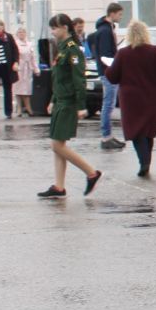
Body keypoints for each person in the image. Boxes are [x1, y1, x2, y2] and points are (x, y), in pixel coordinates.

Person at [104, 20, 156, 177]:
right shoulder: (155, 51)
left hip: (131, 99)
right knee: (148, 130)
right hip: (154, 97)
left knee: (136, 131)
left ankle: (143, 162)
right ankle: (146, 162)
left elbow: (112, 77)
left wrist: (107, 68)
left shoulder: (123, 53)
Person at [38, 13, 101, 199]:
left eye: (54, 28)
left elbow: (78, 78)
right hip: (61, 101)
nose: (52, 31)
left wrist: (81, 105)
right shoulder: (63, 47)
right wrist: (52, 100)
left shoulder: (73, 49)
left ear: (65, 27)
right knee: (58, 144)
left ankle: (91, 173)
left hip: (69, 103)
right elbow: (59, 78)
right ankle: (59, 186)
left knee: (57, 145)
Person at [91, 4, 123, 146]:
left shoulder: (107, 29)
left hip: (108, 71)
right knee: (108, 104)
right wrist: (114, 68)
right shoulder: (105, 31)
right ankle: (106, 136)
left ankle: (108, 135)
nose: (120, 17)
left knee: (109, 104)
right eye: (119, 14)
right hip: (108, 72)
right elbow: (106, 54)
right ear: (112, 14)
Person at [14, 25, 37, 114]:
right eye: (19, 32)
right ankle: (19, 108)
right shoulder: (15, 43)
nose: (21, 34)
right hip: (19, 68)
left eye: (23, 32)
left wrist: (35, 68)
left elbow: (32, 57)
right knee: (18, 88)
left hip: (27, 68)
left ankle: (28, 107)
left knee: (27, 89)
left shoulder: (29, 44)